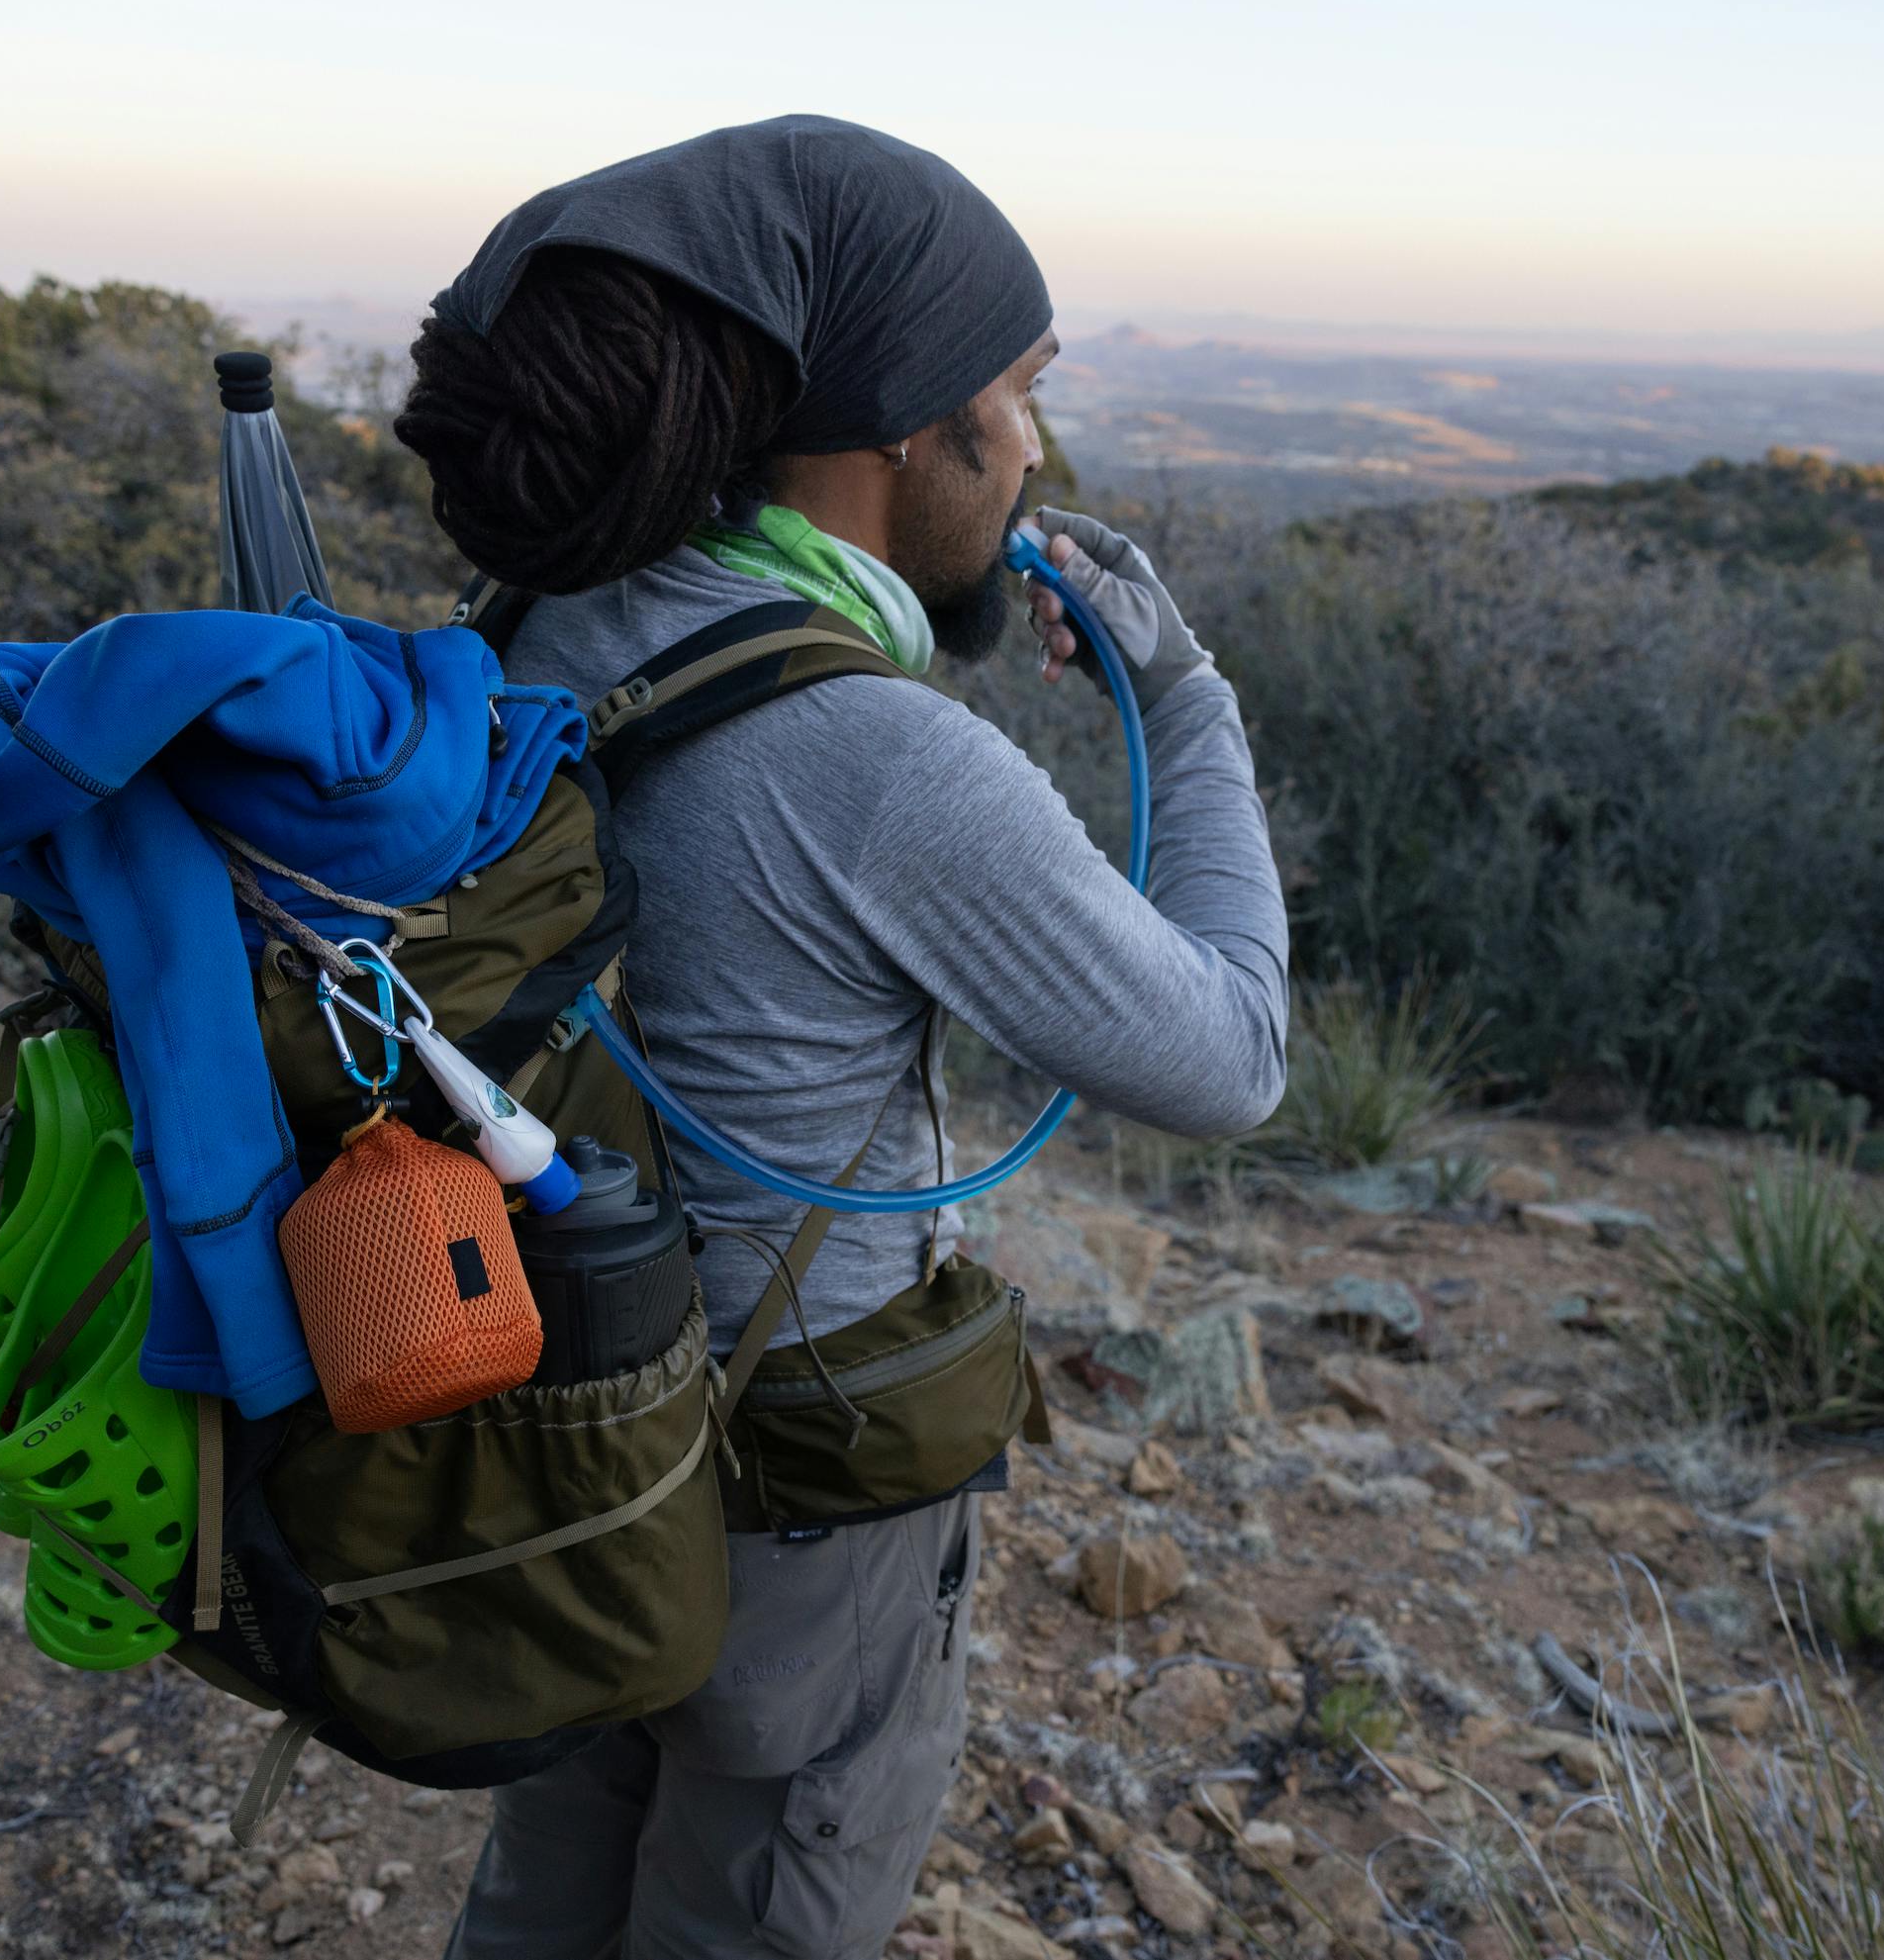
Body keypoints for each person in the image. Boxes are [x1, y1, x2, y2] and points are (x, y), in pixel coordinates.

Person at [396, 116, 1290, 1960]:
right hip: (799, 1484)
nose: (1032, 446)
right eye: (1019, 393)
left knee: (549, 1888)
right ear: (902, 426)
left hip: (548, 1407)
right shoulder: (882, 757)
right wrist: (1186, 700)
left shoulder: (552, 620)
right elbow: (1230, 1054)